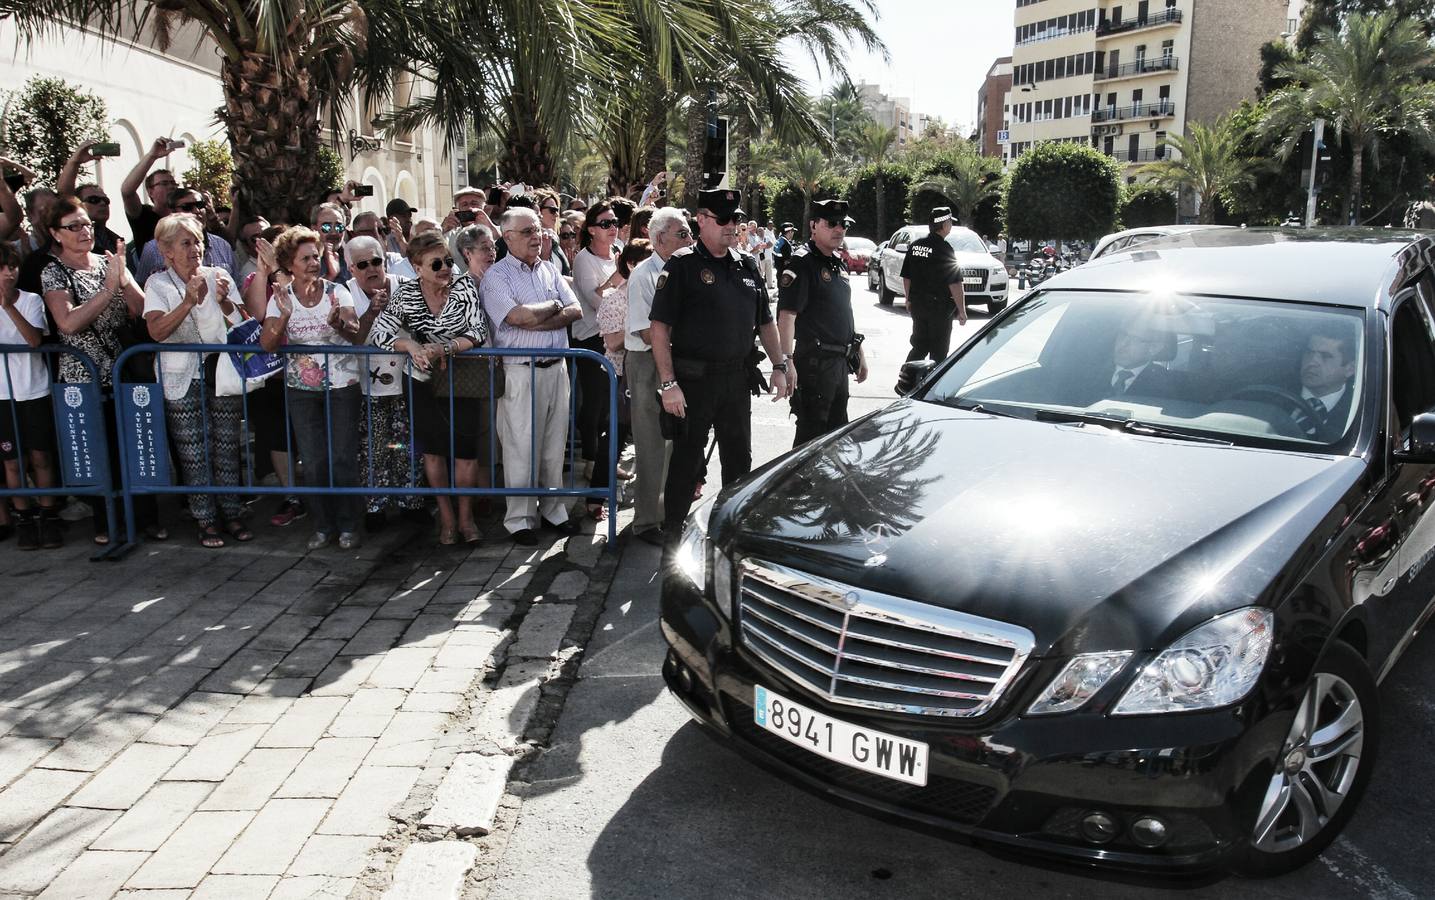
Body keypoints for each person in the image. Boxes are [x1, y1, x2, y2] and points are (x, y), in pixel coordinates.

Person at [649, 188, 791, 539]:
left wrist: (780, 365)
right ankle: (672, 535)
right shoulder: (682, 265)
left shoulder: (745, 264)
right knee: (686, 462)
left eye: (736, 219)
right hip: (692, 382)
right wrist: (668, 384)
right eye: (723, 219)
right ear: (701, 220)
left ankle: (731, 531)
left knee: (739, 462)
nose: (732, 226)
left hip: (735, 380)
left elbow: (765, 321)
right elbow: (659, 328)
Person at [40, 196, 163, 543]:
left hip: (123, 370)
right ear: (55, 233)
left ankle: (144, 518)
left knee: (134, 445)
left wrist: (122, 278)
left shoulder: (108, 263)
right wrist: (110, 287)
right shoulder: (54, 271)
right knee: (99, 449)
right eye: (74, 226)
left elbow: (142, 308)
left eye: (87, 225)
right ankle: (106, 521)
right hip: (84, 376)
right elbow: (68, 322)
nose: (84, 232)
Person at [369, 229, 495, 545]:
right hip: (421, 381)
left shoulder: (465, 287)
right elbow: (381, 333)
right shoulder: (406, 294)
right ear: (417, 268)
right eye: (436, 264)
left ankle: (466, 519)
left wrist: (445, 348)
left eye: (449, 262)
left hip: (461, 378)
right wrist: (410, 346)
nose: (445, 269)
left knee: (465, 453)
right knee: (434, 452)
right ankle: (447, 519)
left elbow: (477, 331)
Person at [143, 214, 251, 548]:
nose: (196, 249)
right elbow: (157, 331)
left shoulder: (219, 276)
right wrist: (188, 300)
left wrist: (224, 301)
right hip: (181, 377)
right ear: (167, 251)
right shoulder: (157, 285)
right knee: (193, 451)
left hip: (221, 374)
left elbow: (245, 325)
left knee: (227, 447)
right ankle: (205, 521)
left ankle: (232, 514)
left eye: (199, 241)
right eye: (186, 243)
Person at [479, 207, 584, 545]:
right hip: (520, 371)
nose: (536, 236)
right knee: (520, 447)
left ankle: (554, 511)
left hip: (557, 368)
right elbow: (516, 317)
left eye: (538, 229)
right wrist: (553, 307)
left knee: (555, 447)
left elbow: (576, 310)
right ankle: (520, 520)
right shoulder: (497, 276)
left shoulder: (551, 270)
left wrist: (541, 314)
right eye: (527, 231)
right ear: (507, 237)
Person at [259, 226, 365, 551]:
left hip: (342, 385)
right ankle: (322, 525)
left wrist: (338, 324)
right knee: (314, 460)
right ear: (290, 264)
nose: (312, 262)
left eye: (315, 256)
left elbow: (355, 331)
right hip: (301, 389)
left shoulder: (338, 291)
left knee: (343, 457)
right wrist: (283, 317)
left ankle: (350, 525)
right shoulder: (281, 298)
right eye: (305, 258)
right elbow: (267, 344)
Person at [344, 235, 425, 531]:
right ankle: (375, 506)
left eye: (376, 261)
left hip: (407, 380)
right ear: (351, 267)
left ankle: (411, 502)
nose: (371, 269)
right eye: (363, 264)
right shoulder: (346, 292)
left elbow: (422, 324)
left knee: (409, 445)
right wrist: (371, 313)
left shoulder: (404, 286)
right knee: (373, 447)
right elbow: (353, 338)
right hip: (368, 385)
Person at [624, 208, 693, 545]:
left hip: (677, 360)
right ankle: (647, 521)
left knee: (674, 443)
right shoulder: (642, 276)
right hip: (648, 364)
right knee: (652, 442)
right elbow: (649, 333)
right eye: (682, 234)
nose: (689, 239)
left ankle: (669, 513)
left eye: (689, 232)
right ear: (660, 238)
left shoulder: (685, 269)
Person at [778, 199, 868, 447]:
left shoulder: (837, 262)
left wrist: (858, 352)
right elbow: (786, 316)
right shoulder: (802, 262)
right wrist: (787, 361)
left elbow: (843, 312)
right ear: (813, 225)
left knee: (836, 438)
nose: (839, 229)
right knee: (810, 439)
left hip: (839, 363)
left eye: (843, 224)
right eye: (832, 224)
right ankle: (797, 487)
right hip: (815, 365)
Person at [0, 241, 62, 549]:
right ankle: (23, 516)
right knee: (12, 460)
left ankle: (48, 514)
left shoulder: (31, 300)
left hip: (34, 389)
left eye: (11, 266)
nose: (7, 274)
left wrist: (8, 306)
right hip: (2, 395)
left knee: (41, 456)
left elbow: (34, 339)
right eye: (1, 268)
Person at [572, 201, 622, 492]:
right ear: (591, 230)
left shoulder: (617, 253)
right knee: (594, 404)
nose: (612, 227)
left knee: (610, 405)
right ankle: (591, 461)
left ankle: (605, 461)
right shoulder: (583, 259)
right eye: (605, 223)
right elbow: (597, 303)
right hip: (590, 338)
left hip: (615, 337)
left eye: (614, 222)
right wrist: (619, 275)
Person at [900, 206, 967, 363]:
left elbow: (906, 276)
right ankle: (932, 385)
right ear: (943, 225)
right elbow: (955, 283)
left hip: (918, 305)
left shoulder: (915, 246)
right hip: (939, 309)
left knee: (919, 346)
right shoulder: (945, 249)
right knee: (938, 352)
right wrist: (962, 310)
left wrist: (908, 299)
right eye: (950, 222)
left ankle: (907, 381)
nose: (951, 225)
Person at [135, 189, 237, 284]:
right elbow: (143, 287)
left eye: (200, 205)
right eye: (187, 207)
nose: (197, 211)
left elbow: (238, 287)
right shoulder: (152, 249)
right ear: (173, 212)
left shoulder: (223, 245)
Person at [1296, 325, 1358, 441]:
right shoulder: (1272, 391)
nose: (1312, 362)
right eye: (1309, 352)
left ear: (1350, 369)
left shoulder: (1361, 412)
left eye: (1325, 356)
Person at [121, 137, 183, 249]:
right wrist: (152, 156)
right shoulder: (143, 215)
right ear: (150, 191)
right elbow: (127, 192)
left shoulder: (183, 215)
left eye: (173, 183)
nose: (171, 187)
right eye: (164, 183)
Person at [1107, 319, 1180, 399]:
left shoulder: (1166, 386)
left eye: (1135, 339)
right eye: (1123, 335)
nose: (1123, 343)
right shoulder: (1093, 369)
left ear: (1154, 348)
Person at [349, 211, 418, 279]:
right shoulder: (351, 263)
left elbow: (419, 262)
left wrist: (401, 241)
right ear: (357, 235)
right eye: (377, 230)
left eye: (385, 230)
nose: (382, 235)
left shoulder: (394, 259)